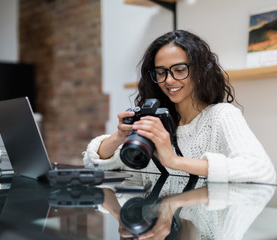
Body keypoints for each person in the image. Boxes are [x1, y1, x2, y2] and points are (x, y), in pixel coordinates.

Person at [83, 30, 276, 183]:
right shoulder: (156, 121)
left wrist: (174, 161)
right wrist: (119, 137)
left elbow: (261, 171)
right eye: (161, 72)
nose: (168, 80)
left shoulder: (221, 116)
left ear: (200, 71)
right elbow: (96, 165)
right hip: (157, 227)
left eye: (179, 70)